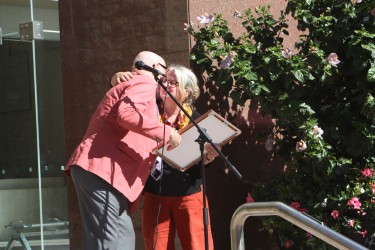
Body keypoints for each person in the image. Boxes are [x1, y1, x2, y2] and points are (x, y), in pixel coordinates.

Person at [64, 51, 182, 250]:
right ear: (151, 67)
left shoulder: (137, 85)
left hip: (105, 173)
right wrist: (166, 132)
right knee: (110, 241)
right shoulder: (145, 82)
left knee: (121, 237)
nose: (165, 75)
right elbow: (126, 115)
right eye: (163, 68)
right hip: (103, 170)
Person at [111, 64, 219, 250]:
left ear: (186, 93)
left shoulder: (195, 119)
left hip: (189, 195)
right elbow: (123, 97)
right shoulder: (148, 112)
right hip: (155, 194)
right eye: (163, 80)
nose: (166, 85)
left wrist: (209, 158)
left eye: (173, 82)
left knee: (198, 245)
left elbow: (203, 160)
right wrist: (116, 78)